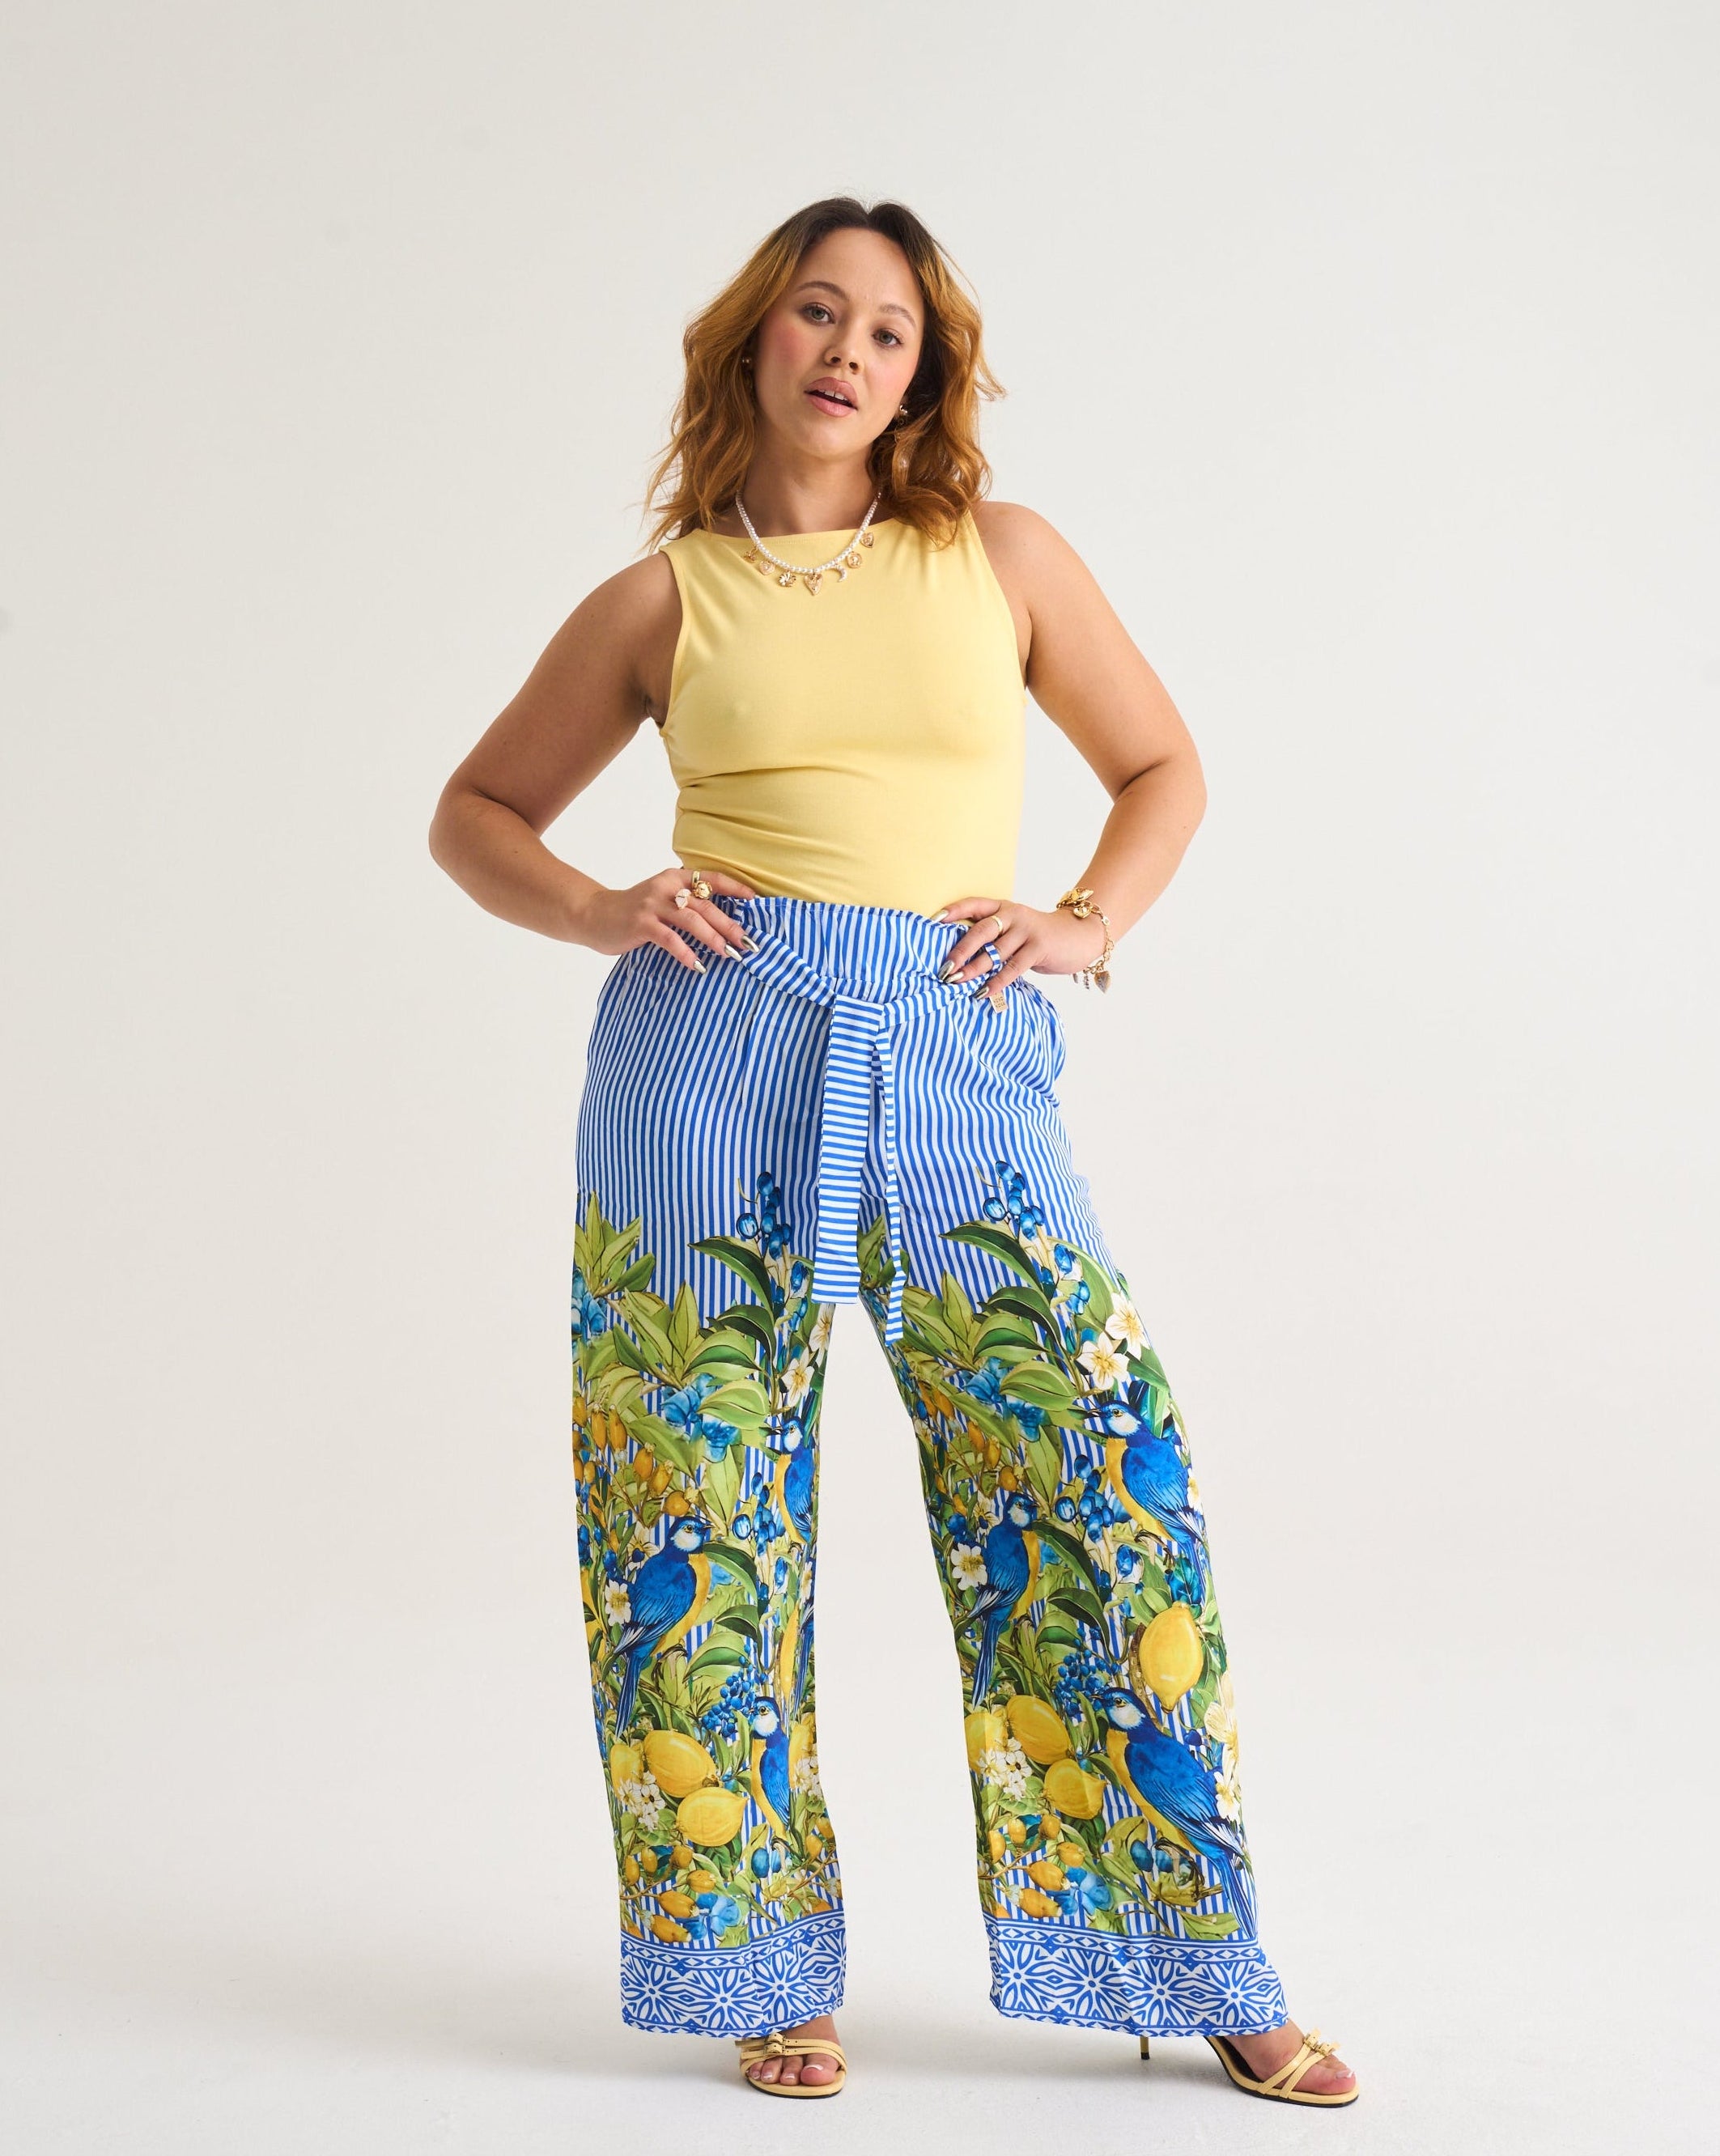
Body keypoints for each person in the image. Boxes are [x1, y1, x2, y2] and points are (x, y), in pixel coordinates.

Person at [428, 196, 1358, 2110]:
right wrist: (607, 908)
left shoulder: (1001, 557)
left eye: (892, 334)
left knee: (1100, 1495)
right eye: (816, 316)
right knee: (695, 1524)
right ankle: (757, 1963)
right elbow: (476, 812)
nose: (850, 354)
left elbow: (1161, 767)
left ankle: (1197, 1959)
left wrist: (1089, 920)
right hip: (702, 1067)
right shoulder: (660, 600)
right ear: (750, 343)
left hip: (953, 1062)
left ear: (924, 374)